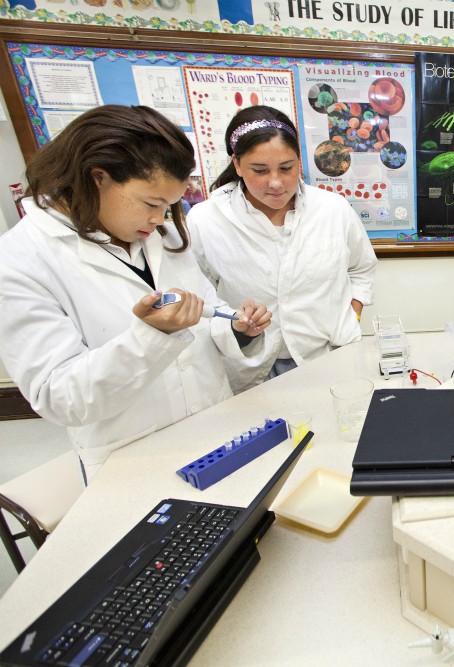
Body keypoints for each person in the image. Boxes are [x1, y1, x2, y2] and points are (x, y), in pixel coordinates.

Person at [0, 105, 271, 482]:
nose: (160, 219)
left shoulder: (161, 237)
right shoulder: (18, 261)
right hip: (132, 460)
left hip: (214, 430)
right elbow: (60, 397)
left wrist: (237, 327)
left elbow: (207, 311)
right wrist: (151, 337)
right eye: (151, 203)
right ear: (98, 178)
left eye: (169, 206)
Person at [187, 106, 377, 392]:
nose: (275, 183)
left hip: (327, 355)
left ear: (299, 161)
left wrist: (353, 315)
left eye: (286, 168)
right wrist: (236, 327)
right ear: (237, 164)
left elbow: (362, 268)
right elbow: (201, 297)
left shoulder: (332, 209)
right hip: (249, 365)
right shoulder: (205, 220)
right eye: (259, 170)